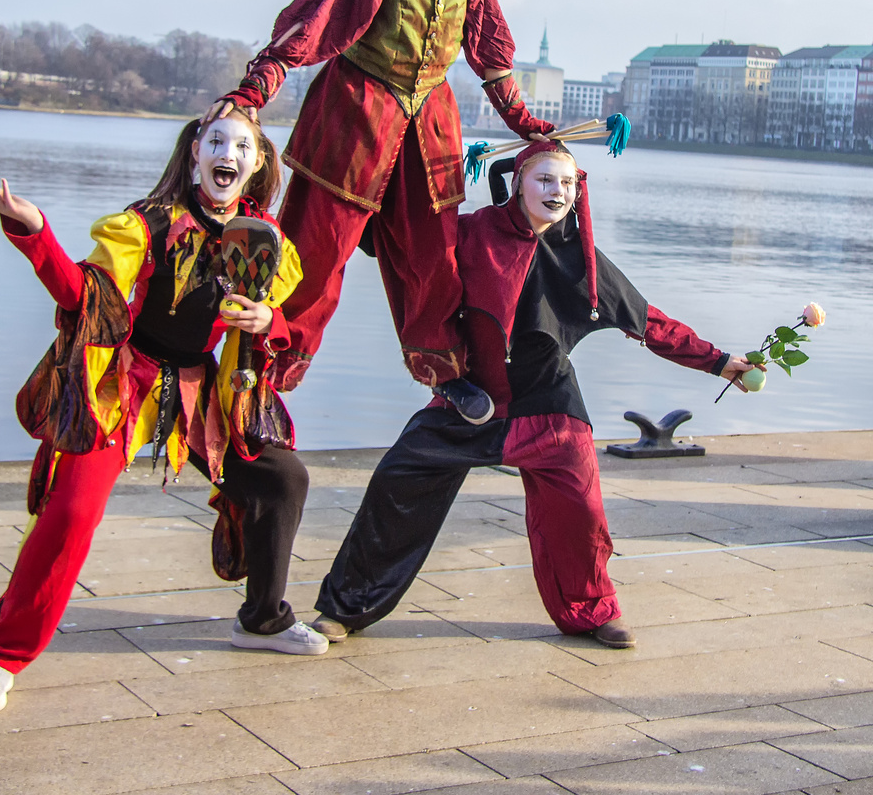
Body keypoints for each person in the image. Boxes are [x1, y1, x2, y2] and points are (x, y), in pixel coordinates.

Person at [312, 140, 761, 648]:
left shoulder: (583, 256)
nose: (557, 191)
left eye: (567, 183)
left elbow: (647, 322)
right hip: (469, 401)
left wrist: (720, 362)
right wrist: (379, 183)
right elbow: (399, 239)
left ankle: (592, 612)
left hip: (550, 406)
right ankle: (345, 608)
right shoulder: (473, 231)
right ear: (519, 180)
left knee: (581, 510)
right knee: (397, 480)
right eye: (546, 179)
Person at [0, 108, 327, 716]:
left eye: (241, 145)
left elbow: (275, 322)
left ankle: (263, 619)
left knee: (281, 477)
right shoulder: (149, 224)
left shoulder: (266, 242)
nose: (226, 153)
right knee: (72, 510)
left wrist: (269, 321)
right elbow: (86, 296)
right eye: (214, 141)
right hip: (126, 381)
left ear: (257, 164)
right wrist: (34, 231)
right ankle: (1, 657)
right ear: (194, 157)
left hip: (204, 388)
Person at [207, 0, 554, 422]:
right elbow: (308, 24)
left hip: (433, 125)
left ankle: (444, 375)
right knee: (315, 256)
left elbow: (490, 51)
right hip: (355, 115)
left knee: (434, 259)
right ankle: (265, 371)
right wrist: (252, 92)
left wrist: (527, 125)